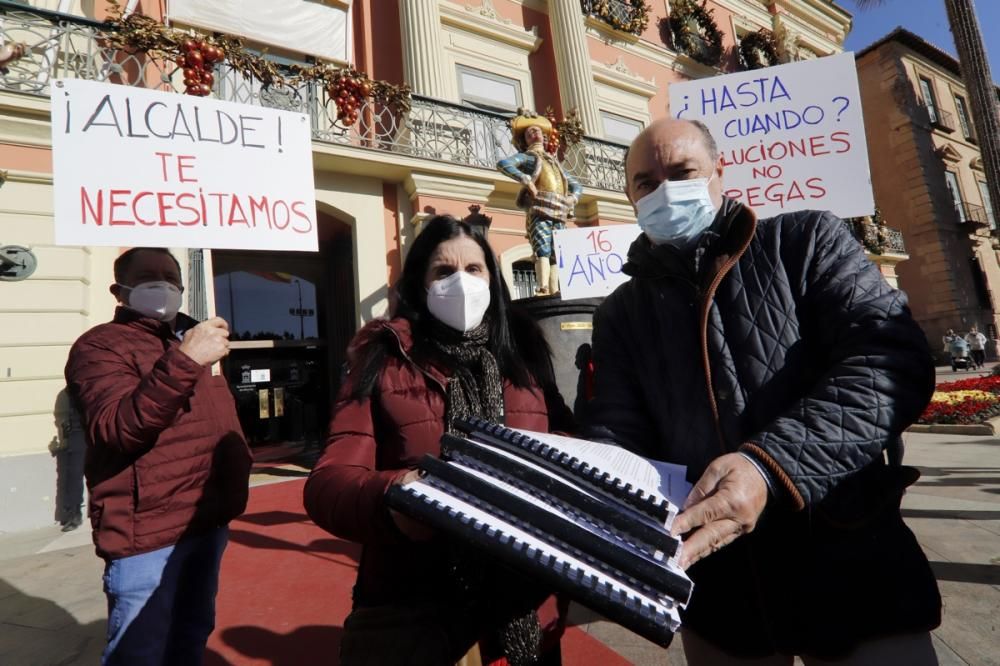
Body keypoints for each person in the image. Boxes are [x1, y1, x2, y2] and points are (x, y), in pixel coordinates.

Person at [585, 119, 941, 664]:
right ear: (629, 197)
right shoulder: (619, 313)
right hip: (719, 594)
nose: (664, 192)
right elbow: (618, 430)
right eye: (645, 183)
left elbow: (892, 361)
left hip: (855, 571)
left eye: (682, 173)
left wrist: (770, 466)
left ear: (719, 174)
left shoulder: (807, 239)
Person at [304, 215, 573, 665]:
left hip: (525, 606)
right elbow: (329, 481)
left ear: (493, 279)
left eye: (474, 269)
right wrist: (396, 498)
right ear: (420, 283)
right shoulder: (381, 357)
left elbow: (568, 439)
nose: (461, 282)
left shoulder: (525, 354)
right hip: (417, 613)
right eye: (443, 271)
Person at [64, 247, 252, 666]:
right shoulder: (100, 346)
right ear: (119, 290)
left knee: (191, 632)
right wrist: (185, 360)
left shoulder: (197, 339)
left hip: (206, 520)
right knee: (140, 651)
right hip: (148, 533)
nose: (162, 285)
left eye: (170, 277)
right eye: (148, 276)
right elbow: (118, 429)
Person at [496, 109, 583, 296]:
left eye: (536, 131)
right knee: (542, 249)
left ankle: (555, 289)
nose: (533, 134)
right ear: (524, 141)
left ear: (544, 137)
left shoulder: (555, 162)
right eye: (528, 133)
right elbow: (503, 164)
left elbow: (576, 185)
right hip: (540, 209)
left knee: (556, 253)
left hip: (559, 211)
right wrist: (525, 180)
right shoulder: (528, 157)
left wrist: (572, 198)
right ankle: (543, 287)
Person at [51, 389, 86, 532]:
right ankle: (74, 514)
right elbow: (62, 419)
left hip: (91, 432)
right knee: (73, 476)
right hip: (77, 434)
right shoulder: (67, 393)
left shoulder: (92, 386)